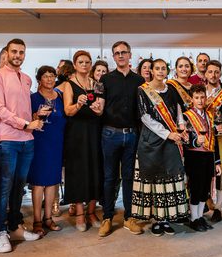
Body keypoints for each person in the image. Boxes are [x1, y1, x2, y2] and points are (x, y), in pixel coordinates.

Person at [0, 38, 43, 253]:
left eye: (21, 52)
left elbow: (22, 109)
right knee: (5, 186)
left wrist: (34, 118)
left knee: (19, 187)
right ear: (7, 53)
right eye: (14, 51)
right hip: (7, 139)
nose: (18, 55)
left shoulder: (27, 79)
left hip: (27, 139)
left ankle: (15, 226)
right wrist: (25, 123)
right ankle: (0, 231)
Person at [132, 59, 190, 236]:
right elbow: (145, 117)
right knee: (155, 180)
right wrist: (167, 134)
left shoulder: (170, 89)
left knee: (169, 178)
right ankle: (156, 220)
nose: (160, 71)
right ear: (151, 71)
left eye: (163, 68)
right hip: (152, 140)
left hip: (171, 139)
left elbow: (178, 110)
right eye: (156, 68)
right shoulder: (143, 90)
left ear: (167, 71)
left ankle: (166, 218)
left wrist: (181, 127)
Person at [98, 41, 145, 237]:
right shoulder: (105, 80)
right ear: (113, 56)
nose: (120, 56)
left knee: (129, 178)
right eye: (116, 53)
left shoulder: (140, 80)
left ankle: (129, 218)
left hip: (132, 134)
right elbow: (99, 106)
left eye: (123, 52)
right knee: (109, 177)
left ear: (130, 54)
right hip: (110, 134)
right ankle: (107, 217)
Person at [62, 50, 104, 231]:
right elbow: (67, 111)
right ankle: (80, 213)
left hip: (94, 130)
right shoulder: (69, 85)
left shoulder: (97, 84)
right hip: (76, 133)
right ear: (75, 64)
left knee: (96, 169)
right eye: (81, 62)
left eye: (87, 62)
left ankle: (92, 211)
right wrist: (78, 104)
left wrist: (97, 109)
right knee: (78, 172)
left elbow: (101, 110)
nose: (85, 65)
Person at [28, 65, 67, 236]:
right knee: (39, 183)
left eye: (52, 76)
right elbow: (26, 119)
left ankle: (48, 218)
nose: (50, 79)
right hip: (39, 142)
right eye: (46, 76)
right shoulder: (33, 98)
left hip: (56, 142)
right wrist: (35, 116)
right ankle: (37, 220)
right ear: (39, 80)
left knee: (53, 181)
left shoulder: (61, 97)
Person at [183, 84, 221, 232]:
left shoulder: (209, 115)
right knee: (195, 188)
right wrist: (194, 141)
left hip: (208, 155)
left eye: (202, 97)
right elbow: (184, 139)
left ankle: (200, 217)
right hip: (194, 155)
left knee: (204, 188)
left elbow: (214, 140)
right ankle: (194, 218)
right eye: (196, 97)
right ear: (191, 99)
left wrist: (217, 161)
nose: (200, 100)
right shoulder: (187, 116)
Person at [205, 60, 222, 222]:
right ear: (205, 74)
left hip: (220, 140)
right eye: (210, 71)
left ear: (220, 74)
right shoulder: (199, 93)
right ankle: (205, 202)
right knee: (203, 174)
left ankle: (218, 208)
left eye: (216, 72)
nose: (213, 75)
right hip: (202, 141)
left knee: (221, 173)